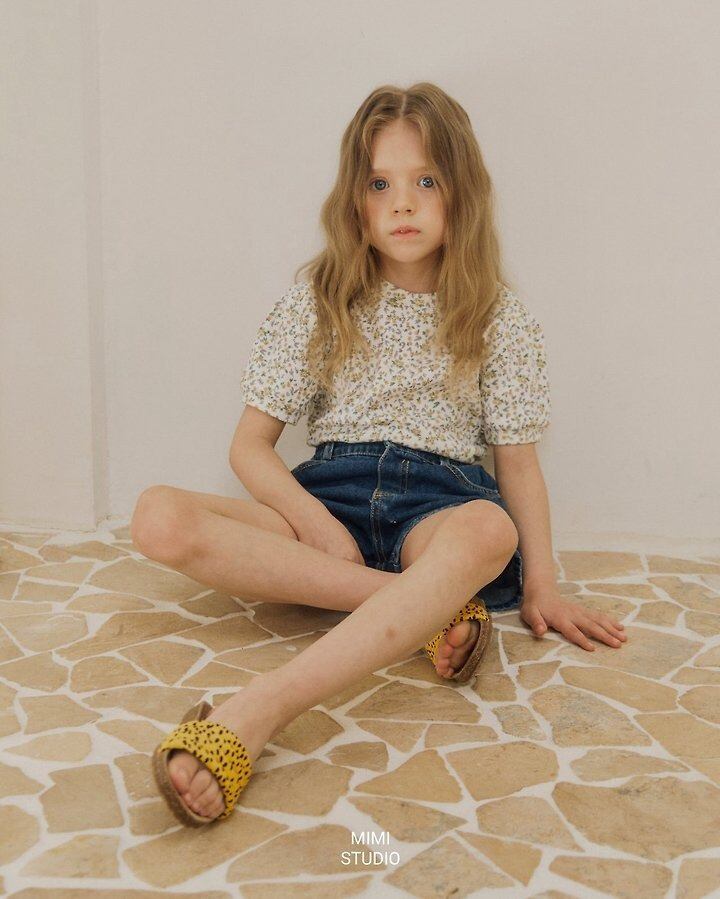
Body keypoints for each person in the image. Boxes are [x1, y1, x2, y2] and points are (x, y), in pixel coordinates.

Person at [132, 82, 627, 827]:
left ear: (462, 194)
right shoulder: (320, 298)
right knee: (157, 516)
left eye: (425, 182)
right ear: (355, 203)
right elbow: (249, 447)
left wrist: (544, 586)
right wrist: (315, 522)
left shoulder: (498, 315)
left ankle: (257, 709)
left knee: (491, 529)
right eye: (380, 184)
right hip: (327, 497)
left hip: (437, 504)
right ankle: (421, 607)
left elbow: (518, 465)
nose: (402, 204)